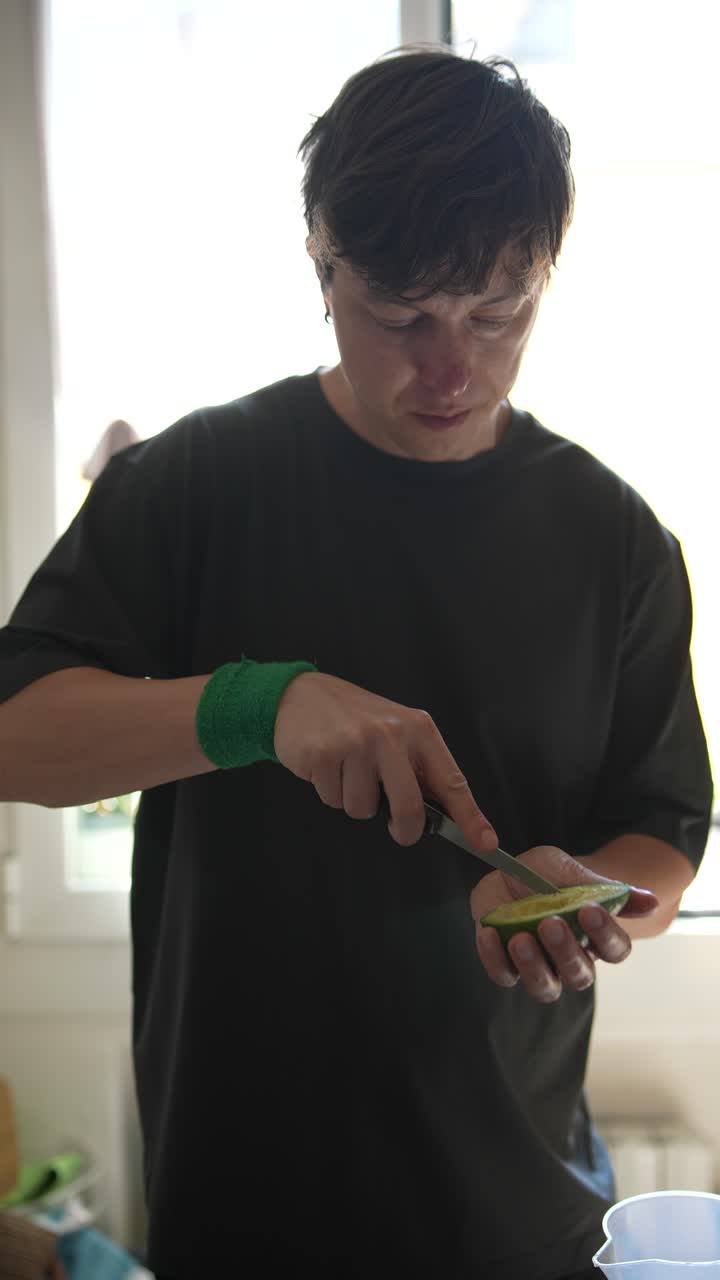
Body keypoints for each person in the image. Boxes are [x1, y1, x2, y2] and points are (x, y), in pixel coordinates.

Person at [0, 46, 712, 1280]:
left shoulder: (615, 539)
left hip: (518, 1214)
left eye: (499, 313)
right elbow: (16, 735)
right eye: (402, 316)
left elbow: (663, 831)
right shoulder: (193, 486)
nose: (453, 368)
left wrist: (580, 895)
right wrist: (253, 707)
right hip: (244, 1200)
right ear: (322, 266)